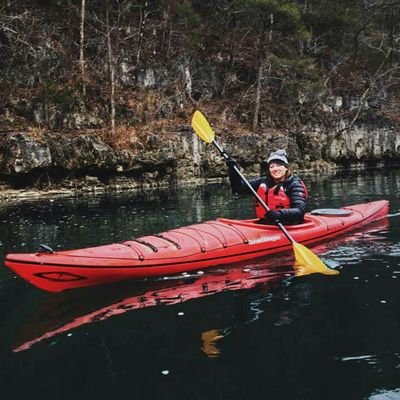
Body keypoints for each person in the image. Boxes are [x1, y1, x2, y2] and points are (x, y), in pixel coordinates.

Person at [226, 149, 308, 225]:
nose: (275, 169)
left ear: (286, 168)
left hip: (288, 225)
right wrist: (233, 170)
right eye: (271, 167)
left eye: (279, 165)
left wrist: (280, 214)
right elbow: (239, 188)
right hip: (266, 224)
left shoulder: (294, 184)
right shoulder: (263, 182)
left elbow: (300, 210)